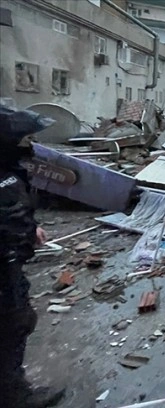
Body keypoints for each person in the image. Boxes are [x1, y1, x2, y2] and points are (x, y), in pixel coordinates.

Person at [1, 105, 66, 408]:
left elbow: (14, 210)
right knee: (15, 324)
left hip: (11, 261)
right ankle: (14, 396)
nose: (30, 144)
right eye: (25, 137)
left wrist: (31, 228)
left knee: (18, 321)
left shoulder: (10, 172)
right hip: (4, 266)